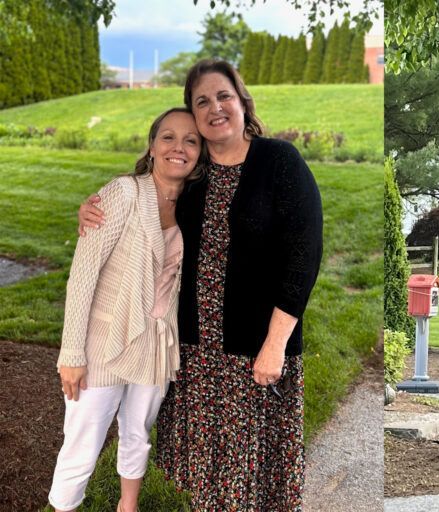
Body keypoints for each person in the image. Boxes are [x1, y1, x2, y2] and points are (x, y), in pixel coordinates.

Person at [79, 59, 323, 511]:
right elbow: (143, 202)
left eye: (223, 96)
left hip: (255, 351)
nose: (215, 108)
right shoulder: (193, 172)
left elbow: (303, 258)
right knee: (207, 478)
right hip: (196, 354)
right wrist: (94, 209)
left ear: (242, 101)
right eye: (202, 101)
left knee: (247, 479)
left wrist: (275, 345)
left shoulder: (278, 162)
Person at [50, 108, 204, 512]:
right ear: (151, 147)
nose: (179, 147)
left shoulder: (196, 205)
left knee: (138, 431)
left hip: (156, 344)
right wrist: (72, 353)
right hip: (102, 343)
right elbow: (82, 277)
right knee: (82, 442)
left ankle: (128, 506)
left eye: (190, 140)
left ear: (199, 153)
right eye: (168, 137)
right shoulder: (122, 194)